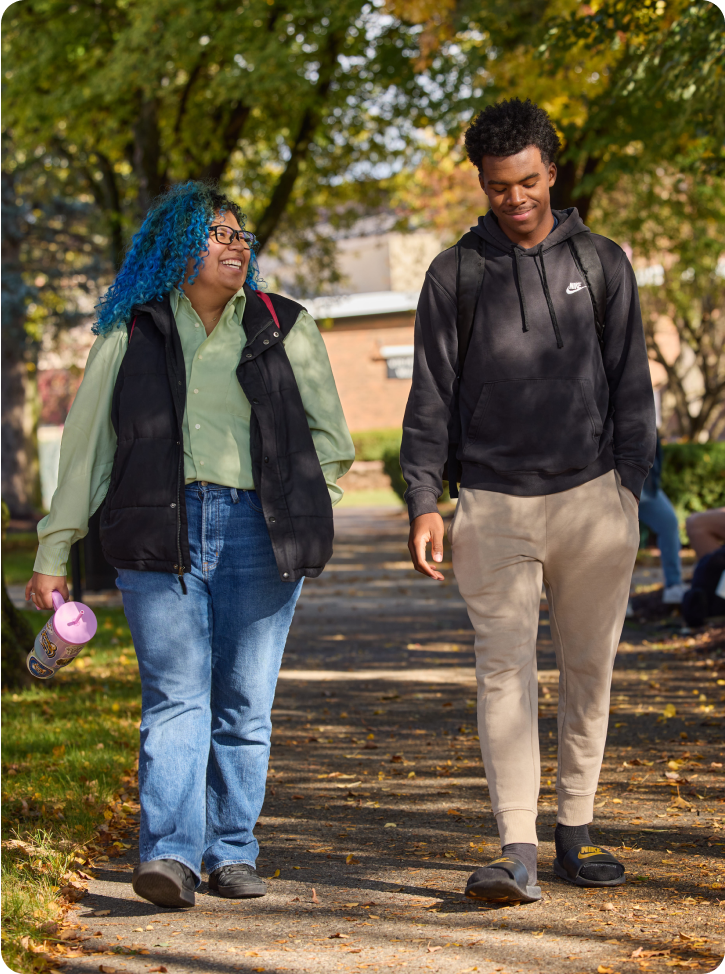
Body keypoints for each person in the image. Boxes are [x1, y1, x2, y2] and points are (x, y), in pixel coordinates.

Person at [26, 182, 354, 909]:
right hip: (155, 531)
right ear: (177, 246)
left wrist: (303, 513)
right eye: (219, 234)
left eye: (242, 236)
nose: (237, 245)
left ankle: (231, 850)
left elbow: (332, 446)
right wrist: (55, 551)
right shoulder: (129, 333)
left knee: (243, 703)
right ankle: (169, 854)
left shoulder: (283, 325)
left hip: (257, 534)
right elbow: (87, 452)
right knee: (175, 699)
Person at [401, 99, 656, 903]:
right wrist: (423, 501)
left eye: (526, 182)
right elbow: (430, 396)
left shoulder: (604, 262)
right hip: (493, 506)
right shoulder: (455, 273)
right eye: (496, 187)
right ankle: (515, 846)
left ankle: (574, 834)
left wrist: (628, 493)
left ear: (552, 169)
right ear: (481, 184)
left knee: (588, 670)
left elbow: (632, 389)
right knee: (501, 676)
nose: (514, 199)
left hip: (592, 504)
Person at [637, 434, 687, 604]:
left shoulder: (646, 409)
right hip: (614, 485)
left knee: (669, 522)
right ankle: (617, 600)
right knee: (619, 538)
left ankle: (673, 586)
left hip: (646, 486)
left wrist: (653, 479)